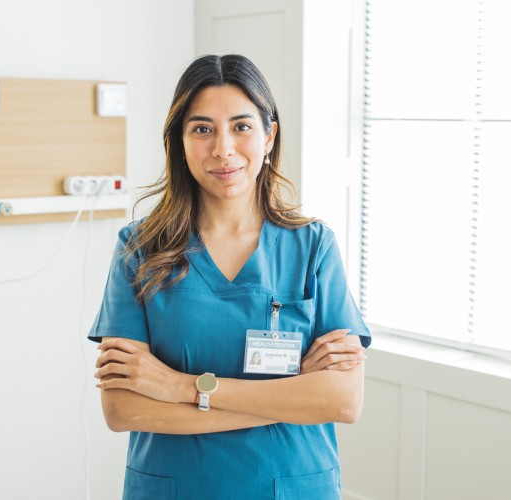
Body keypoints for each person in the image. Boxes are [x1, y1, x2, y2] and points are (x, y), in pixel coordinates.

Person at [89, 54, 371, 500]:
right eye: (202, 129)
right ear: (179, 141)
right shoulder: (140, 249)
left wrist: (178, 387)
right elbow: (122, 409)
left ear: (269, 135)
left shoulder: (313, 247)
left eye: (241, 126)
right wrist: (289, 399)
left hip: (291, 486)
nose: (223, 148)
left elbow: (342, 401)